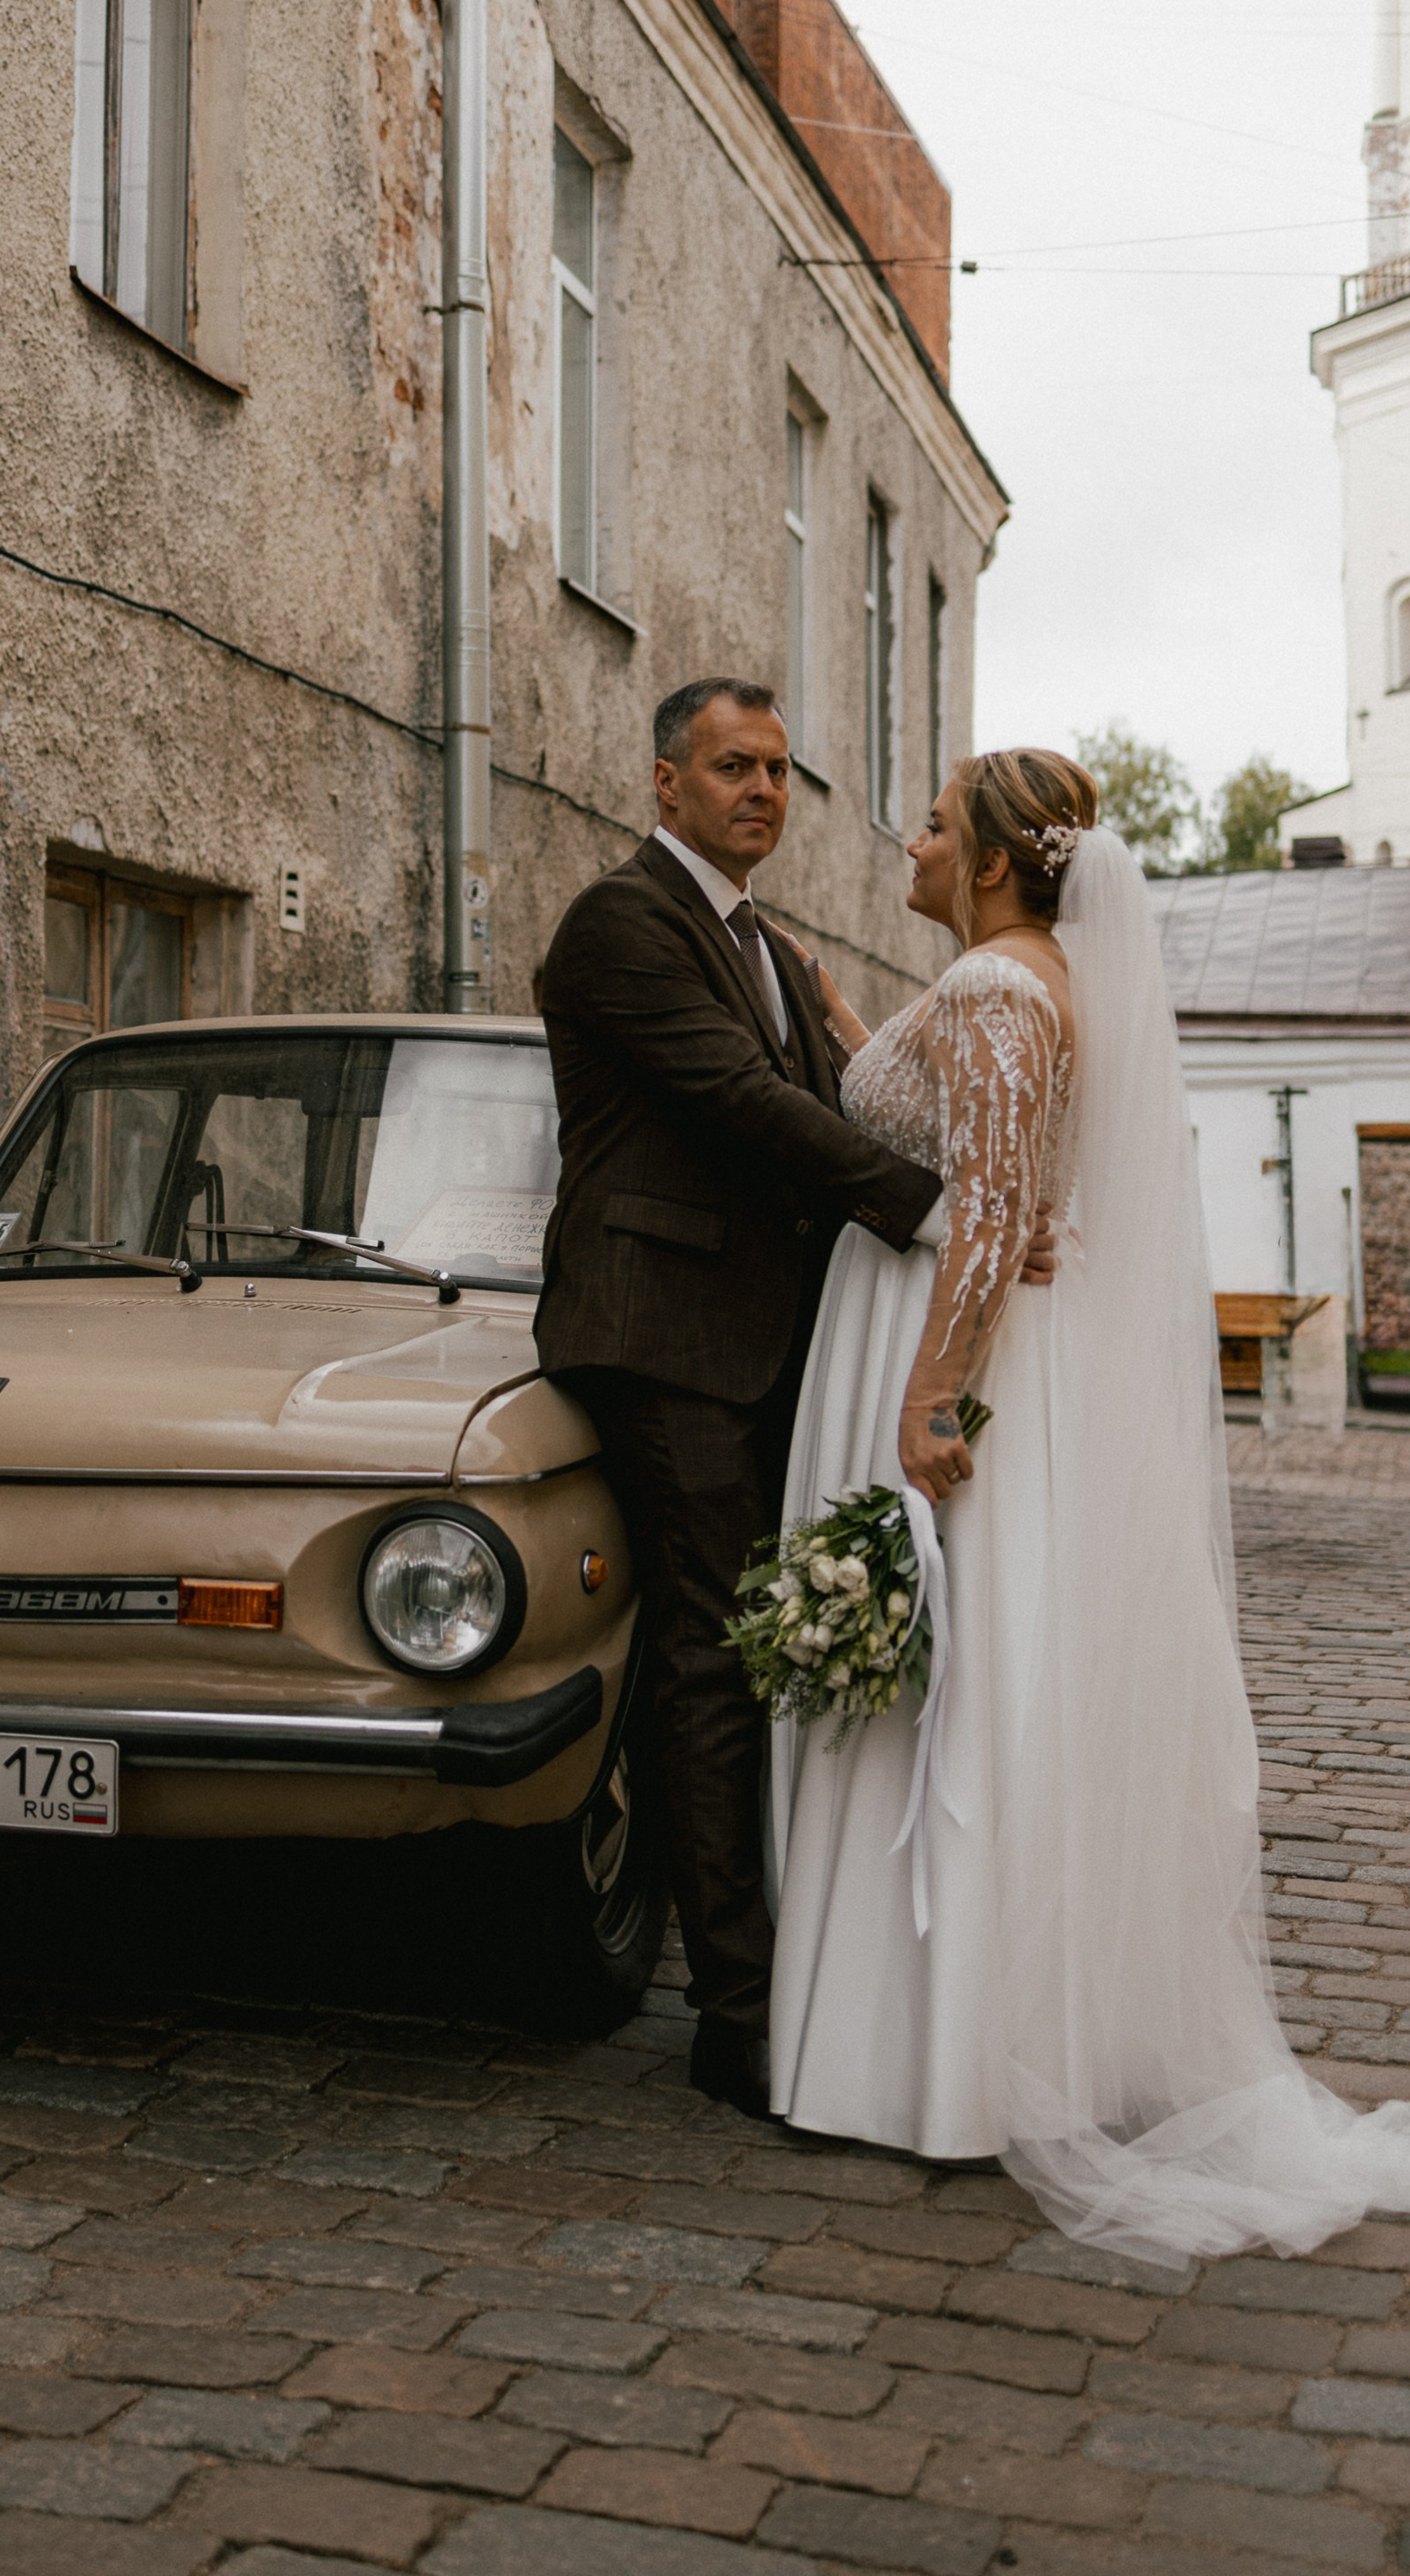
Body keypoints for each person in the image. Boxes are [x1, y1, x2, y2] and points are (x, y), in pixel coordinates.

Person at [766, 748, 1410, 2263]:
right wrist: (841, 1019)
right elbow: (997, 1171)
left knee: (960, 1695)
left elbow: (987, 1220)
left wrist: (926, 1400)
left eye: (930, 818)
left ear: (980, 859)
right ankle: (979, 2030)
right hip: (984, 1360)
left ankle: (946, 2061)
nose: (906, 833)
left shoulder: (997, 993)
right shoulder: (1007, 982)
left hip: (957, 1378)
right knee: (979, 1686)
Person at [535, 678, 947, 2120]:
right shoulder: (623, 921)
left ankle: (787, 1956)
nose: (762, 790)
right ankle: (737, 2013)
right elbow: (740, 1105)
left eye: (777, 769)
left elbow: (834, 1096)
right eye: (731, 767)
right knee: (710, 1659)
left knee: (762, 1653)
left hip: (774, 1345)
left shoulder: (768, 940)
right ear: (664, 783)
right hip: (666, 1338)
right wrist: (935, 1209)